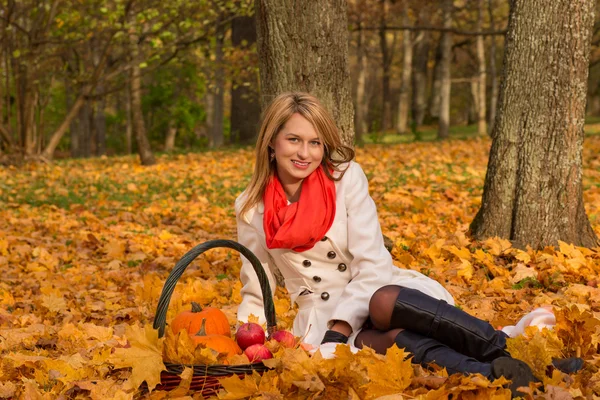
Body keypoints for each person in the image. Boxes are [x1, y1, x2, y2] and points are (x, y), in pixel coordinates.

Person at [234, 92, 576, 397]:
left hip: (374, 293)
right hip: (320, 318)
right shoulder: (251, 208)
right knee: (387, 342)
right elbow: (256, 288)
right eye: (294, 139)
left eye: (315, 143)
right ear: (271, 142)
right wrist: (247, 347)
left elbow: (372, 263)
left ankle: (506, 348)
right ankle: (498, 374)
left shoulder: (345, 178)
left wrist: (340, 330)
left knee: (382, 302)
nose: (305, 153)